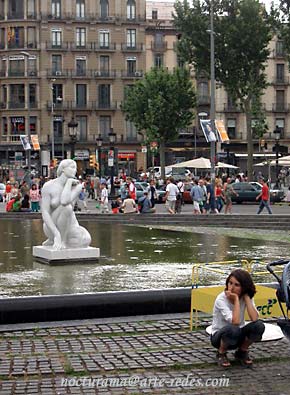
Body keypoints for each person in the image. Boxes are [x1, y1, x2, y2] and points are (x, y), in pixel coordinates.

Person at [211, 269, 265, 368]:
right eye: (230, 283)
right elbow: (235, 322)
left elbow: (254, 318)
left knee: (259, 326)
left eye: (236, 285)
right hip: (220, 336)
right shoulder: (221, 299)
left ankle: (242, 351)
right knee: (233, 329)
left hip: (238, 334)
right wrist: (236, 300)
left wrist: (247, 298)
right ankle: (221, 353)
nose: (231, 287)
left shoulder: (245, 296)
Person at [41, 159, 91, 250]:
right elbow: (45, 212)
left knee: (86, 240)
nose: (75, 170)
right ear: (63, 169)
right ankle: (60, 239)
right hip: (51, 226)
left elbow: (64, 200)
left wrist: (68, 183)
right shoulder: (48, 186)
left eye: (75, 168)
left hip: (69, 225)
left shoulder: (77, 186)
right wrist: (56, 234)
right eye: (72, 167)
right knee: (67, 208)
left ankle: (63, 240)